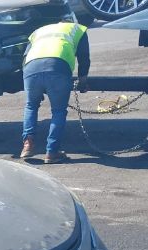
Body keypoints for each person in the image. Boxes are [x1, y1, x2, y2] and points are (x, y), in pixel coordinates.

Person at [20, 20, 91, 164]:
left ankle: (27, 144)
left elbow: (24, 57)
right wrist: (83, 82)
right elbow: (84, 58)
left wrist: (36, 86)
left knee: (31, 106)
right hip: (57, 66)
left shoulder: (39, 30)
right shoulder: (78, 29)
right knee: (58, 111)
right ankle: (52, 152)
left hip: (30, 68)